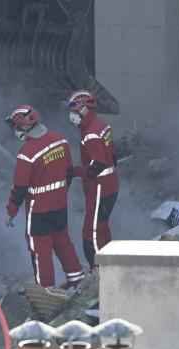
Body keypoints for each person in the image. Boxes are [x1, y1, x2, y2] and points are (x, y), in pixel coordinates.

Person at [5, 106, 85, 290]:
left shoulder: (27, 153)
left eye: (15, 128)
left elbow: (19, 188)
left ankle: (46, 291)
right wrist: (60, 193)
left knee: (40, 251)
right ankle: (78, 279)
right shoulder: (60, 141)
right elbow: (68, 172)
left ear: (23, 128)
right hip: (59, 205)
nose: (15, 132)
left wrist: (11, 211)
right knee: (63, 241)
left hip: (38, 211)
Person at [67, 90, 119, 270]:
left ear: (84, 110)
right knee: (103, 227)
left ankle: (97, 270)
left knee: (91, 233)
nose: (71, 116)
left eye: (74, 111)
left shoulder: (90, 134)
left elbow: (98, 164)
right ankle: (111, 265)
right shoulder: (102, 125)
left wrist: (75, 172)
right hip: (111, 185)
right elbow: (112, 156)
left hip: (99, 188)